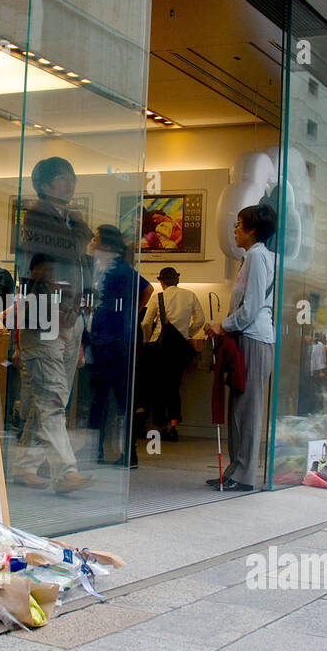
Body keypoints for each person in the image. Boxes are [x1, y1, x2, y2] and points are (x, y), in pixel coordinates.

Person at [13, 156, 92, 493]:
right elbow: (40, 270)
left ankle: (24, 466)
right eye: (62, 177)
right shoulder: (40, 216)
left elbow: (82, 269)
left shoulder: (71, 220)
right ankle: (65, 470)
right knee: (51, 394)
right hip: (47, 313)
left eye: (72, 176)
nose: (70, 183)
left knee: (48, 395)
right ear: (44, 185)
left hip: (69, 314)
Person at [206, 203, 277, 491]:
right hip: (247, 338)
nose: (235, 230)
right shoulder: (252, 257)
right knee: (238, 407)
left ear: (252, 229)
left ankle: (245, 474)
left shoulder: (258, 257)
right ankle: (236, 470)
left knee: (247, 408)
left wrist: (223, 325)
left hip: (254, 339)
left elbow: (252, 307)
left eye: (239, 224)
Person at [87, 225, 152, 466]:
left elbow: (147, 289)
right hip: (103, 338)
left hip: (116, 341)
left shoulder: (121, 270)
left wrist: (130, 314)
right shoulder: (100, 269)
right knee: (102, 397)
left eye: (96, 239)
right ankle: (99, 449)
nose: (92, 244)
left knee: (118, 398)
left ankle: (126, 452)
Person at [141, 265, 204, 441]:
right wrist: (188, 333)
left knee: (158, 388)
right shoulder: (190, 295)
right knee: (174, 387)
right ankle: (174, 425)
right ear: (177, 280)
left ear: (162, 282)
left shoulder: (158, 297)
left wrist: (147, 340)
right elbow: (200, 319)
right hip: (179, 348)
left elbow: (145, 323)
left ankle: (161, 427)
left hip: (159, 348)